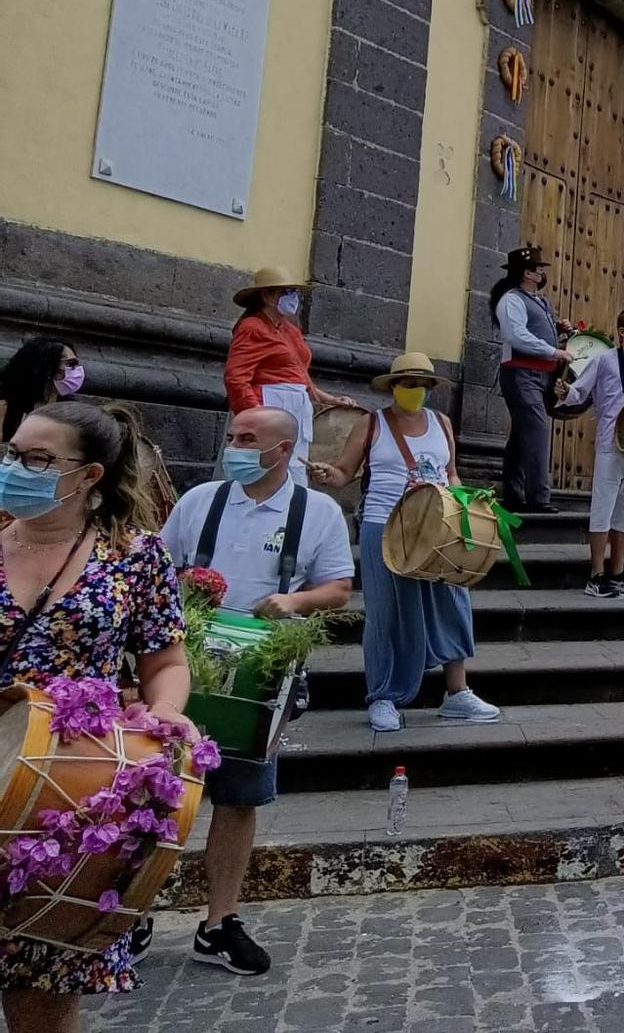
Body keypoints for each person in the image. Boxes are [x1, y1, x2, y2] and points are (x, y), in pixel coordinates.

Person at [0, 400, 192, 1018]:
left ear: (89, 476)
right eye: (11, 454)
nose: (15, 468)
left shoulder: (135, 557)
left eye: (36, 459)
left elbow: (165, 661)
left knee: (41, 1000)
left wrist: (163, 713)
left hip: (68, 800)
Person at [159, 406, 352, 976]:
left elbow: (339, 587)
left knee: (239, 799)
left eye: (249, 439)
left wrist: (293, 602)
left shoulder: (316, 511)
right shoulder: (200, 500)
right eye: (232, 436)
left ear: (283, 449)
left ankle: (218, 922)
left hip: (263, 673)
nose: (236, 447)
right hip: (183, 666)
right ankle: (132, 915)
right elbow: (158, 571)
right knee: (159, 792)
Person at [309, 353, 500, 734]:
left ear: (430, 389)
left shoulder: (441, 423)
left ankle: (457, 692)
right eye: (406, 384)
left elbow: (451, 473)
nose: (414, 391)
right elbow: (345, 472)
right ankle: (383, 695)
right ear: (393, 387)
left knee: (453, 603)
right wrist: (329, 474)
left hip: (437, 527)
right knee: (387, 613)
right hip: (385, 526)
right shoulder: (372, 423)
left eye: (420, 385)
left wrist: (466, 509)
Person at [223, 268, 358, 486]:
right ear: (266, 296)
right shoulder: (252, 327)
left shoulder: (289, 329)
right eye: (285, 292)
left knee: (293, 467)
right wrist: (254, 417)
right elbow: (236, 378)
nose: (292, 297)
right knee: (264, 467)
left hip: (295, 407)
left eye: (294, 291)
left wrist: (328, 399)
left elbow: (299, 377)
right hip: (269, 404)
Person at [560, 308, 624, 598]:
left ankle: (617, 573)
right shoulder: (603, 361)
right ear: (623, 332)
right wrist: (565, 391)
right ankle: (596, 575)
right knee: (603, 510)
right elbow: (579, 392)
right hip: (610, 443)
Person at [489, 246, 569, 515]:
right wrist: (553, 350)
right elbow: (516, 335)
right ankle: (538, 497)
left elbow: (535, 328)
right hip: (521, 372)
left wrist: (558, 329)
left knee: (521, 435)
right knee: (537, 430)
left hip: (541, 374)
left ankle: (513, 493)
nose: (543, 273)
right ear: (528, 273)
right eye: (539, 269)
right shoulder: (510, 299)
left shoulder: (539, 301)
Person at [0, 337, 84, 440]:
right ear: (47, 368)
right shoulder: (7, 406)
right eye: (70, 363)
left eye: (76, 363)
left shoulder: (72, 412)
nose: (77, 369)